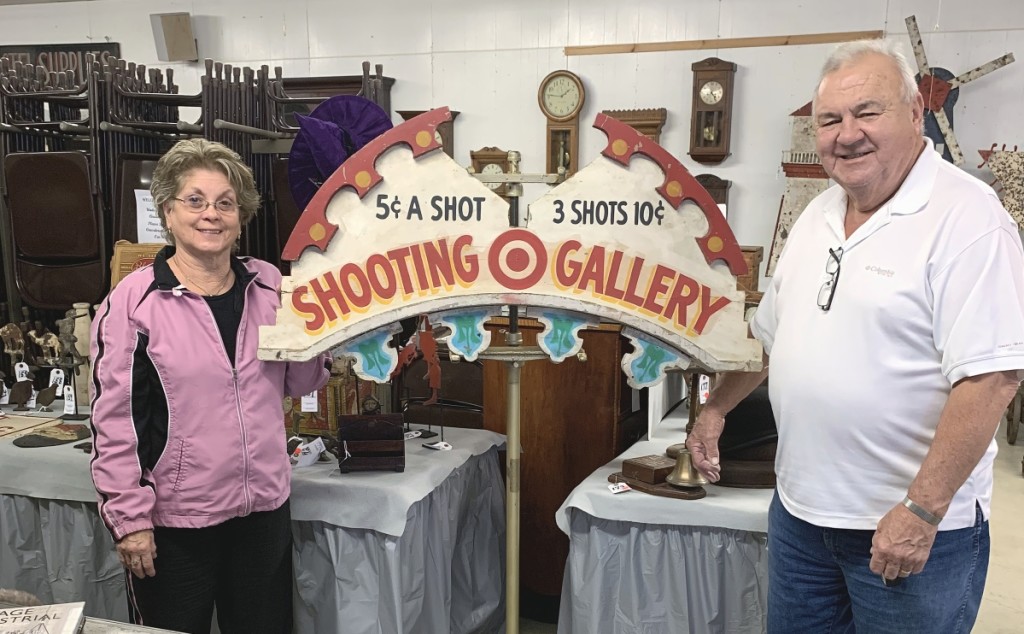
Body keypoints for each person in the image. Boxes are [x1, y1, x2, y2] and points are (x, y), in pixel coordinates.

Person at [687, 39, 1024, 633]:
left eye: (868, 112)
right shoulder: (817, 215)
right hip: (800, 518)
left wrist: (921, 509)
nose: (847, 134)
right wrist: (716, 409)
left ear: (915, 112)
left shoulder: (969, 218)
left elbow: (991, 377)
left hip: (909, 529)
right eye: (830, 120)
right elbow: (770, 338)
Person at [90, 139, 331, 634]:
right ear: (167, 212)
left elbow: (301, 382)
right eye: (195, 200)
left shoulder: (268, 286)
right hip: (175, 521)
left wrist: (316, 332)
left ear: (241, 215)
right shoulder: (135, 303)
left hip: (262, 511)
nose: (211, 215)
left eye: (225, 202)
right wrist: (129, 518)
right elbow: (115, 421)